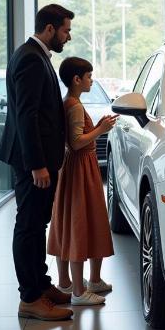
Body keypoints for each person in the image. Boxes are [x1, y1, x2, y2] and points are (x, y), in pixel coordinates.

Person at [0, 4, 75, 321]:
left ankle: (41, 285)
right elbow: (26, 116)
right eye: (66, 30)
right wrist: (37, 165)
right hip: (34, 162)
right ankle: (29, 298)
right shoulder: (31, 58)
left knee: (36, 224)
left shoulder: (35, 54)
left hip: (40, 159)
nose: (68, 37)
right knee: (29, 226)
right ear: (50, 28)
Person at [47, 57, 117, 306]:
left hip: (73, 168)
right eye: (89, 76)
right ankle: (79, 290)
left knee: (68, 222)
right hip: (82, 168)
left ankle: (68, 283)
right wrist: (101, 130)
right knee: (83, 222)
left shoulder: (68, 102)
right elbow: (77, 142)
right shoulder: (75, 106)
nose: (91, 80)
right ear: (77, 79)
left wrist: (97, 126)